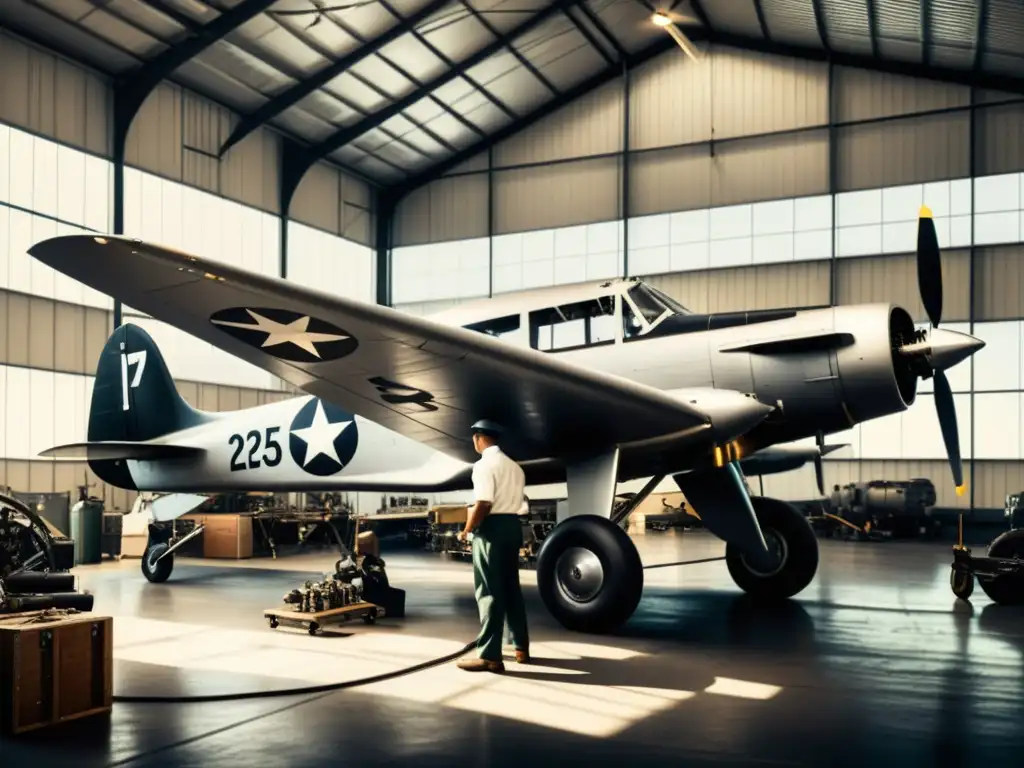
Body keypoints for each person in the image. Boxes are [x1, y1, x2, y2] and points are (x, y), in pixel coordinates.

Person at [456, 419, 530, 673]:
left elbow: (484, 503)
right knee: (511, 589)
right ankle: (521, 648)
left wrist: (467, 530)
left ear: (479, 438)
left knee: (488, 591)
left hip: (492, 531)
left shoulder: (483, 465)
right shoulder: (515, 468)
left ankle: (490, 656)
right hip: (512, 527)